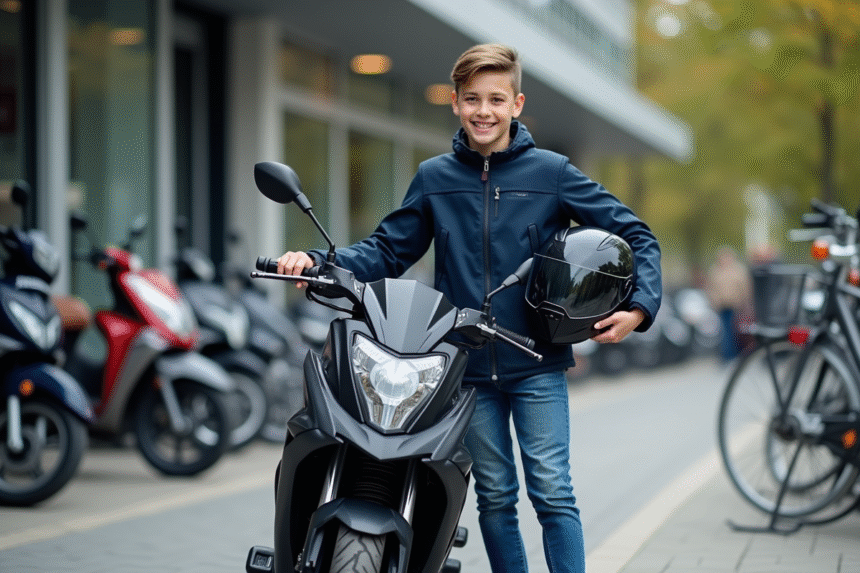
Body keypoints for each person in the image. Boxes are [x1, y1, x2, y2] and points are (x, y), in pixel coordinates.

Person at [277, 43, 662, 573]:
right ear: (456, 103)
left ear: (517, 104)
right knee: (496, 496)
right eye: (473, 99)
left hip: (536, 362)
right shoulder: (435, 178)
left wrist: (639, 308)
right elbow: (388, 249)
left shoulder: (552, 172)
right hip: (462, 367)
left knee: (551, 491)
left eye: (497, 99)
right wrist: (319, 261)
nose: (485, 111)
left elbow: (637, 235)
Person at [705, 245, 751, 362]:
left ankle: (737, 353)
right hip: (722, 306)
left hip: (736, 305)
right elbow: (711, 288)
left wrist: (744, 301)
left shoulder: (738, 270)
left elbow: (745, 287)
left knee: (735, 330)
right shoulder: (715, 271)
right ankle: (728, 355)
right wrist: (715, 300)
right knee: (725, 330)